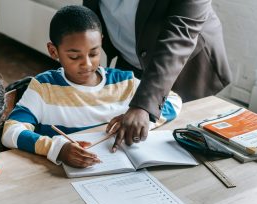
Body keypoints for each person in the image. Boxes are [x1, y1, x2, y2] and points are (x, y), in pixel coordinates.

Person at [1, 5, 182, 168]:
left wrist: (140, 122)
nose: (87, 64)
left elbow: (174, 100)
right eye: (74, 57)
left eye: (94, 53)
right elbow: (11, 131)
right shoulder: (44, 87)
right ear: (53, 51)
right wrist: (57, 149)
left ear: (101, 42)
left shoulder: (123, 81)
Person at [84, 0, 232, 148]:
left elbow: (179, 37)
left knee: (183, 142)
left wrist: (143, 105)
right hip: (128, 58)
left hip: (185, 68)